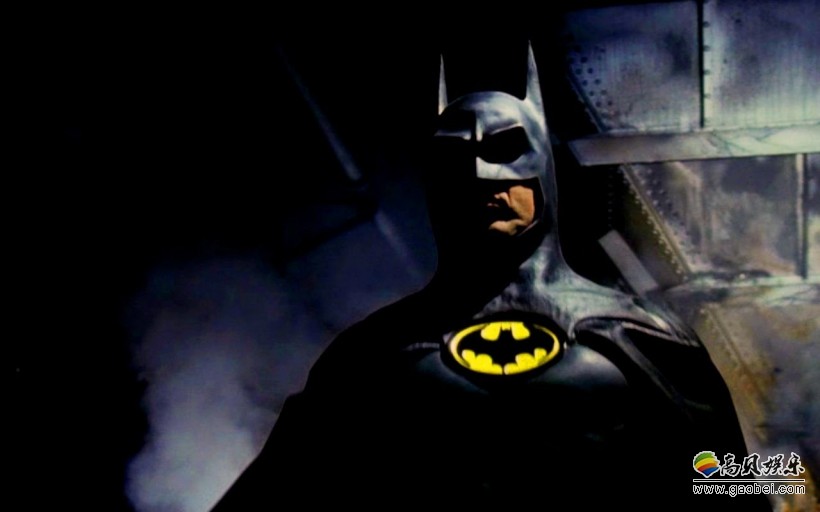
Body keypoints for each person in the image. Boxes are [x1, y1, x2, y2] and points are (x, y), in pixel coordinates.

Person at [212, 45, 769, 510]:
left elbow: (734, 488)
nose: (482, 175)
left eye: (505, 150)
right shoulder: (371, 359)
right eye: (457, 158)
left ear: (542, 167)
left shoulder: (641, 336)